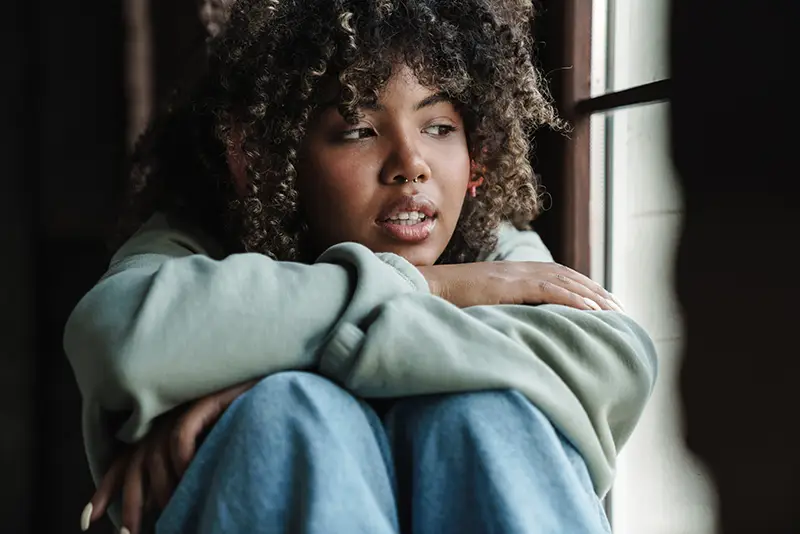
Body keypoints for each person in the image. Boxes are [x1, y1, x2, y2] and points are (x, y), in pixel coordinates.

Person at [64, 0, 657, 532]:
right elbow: (121, 339)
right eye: (358, 130)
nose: (410, 163)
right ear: (261, 155)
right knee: (284, 416)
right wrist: (428, 288)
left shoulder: (496, 250)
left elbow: (614, 356)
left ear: (476, 154)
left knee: (482, 411)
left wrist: (256, 368)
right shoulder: (197, 240)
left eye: (439, 127)